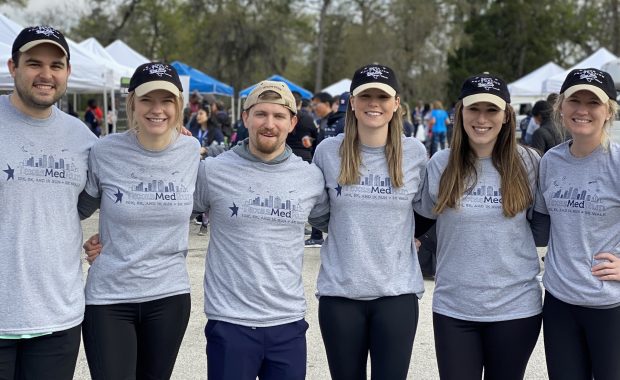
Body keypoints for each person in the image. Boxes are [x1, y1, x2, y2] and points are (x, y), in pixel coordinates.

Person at [193, 80, 329, 380]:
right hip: (230, 323)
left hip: (288, 324)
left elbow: (340, 223)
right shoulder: (213, 171)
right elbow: (169, 213)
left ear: (292, 122)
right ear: (245, 118)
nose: (269, 124)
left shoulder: (310, 178)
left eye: (279, 116)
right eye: (260, 114)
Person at [417, 73, 545, 380]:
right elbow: (414, 223)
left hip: (516, 309)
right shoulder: (440, 164)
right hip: (454, 308)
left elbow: (567, 221)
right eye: (474, 109)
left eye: (492, 110)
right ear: (460, 113)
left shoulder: (529, 163)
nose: (482, 119)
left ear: (506, 116)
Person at [78, 63, 199, 380]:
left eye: (166, 101)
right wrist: (85, 242)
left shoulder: (191, 149)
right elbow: (76, 208)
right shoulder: (104, 151)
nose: (157, 109)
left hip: (169, 297)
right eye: (147, 100)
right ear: (132, 103)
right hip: (109, 298)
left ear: (178, 106)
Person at [312, 64, 428, 380]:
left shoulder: (415, 153)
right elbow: (319, 211)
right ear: (352, 102)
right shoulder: (327, 152)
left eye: (381, 96)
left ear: (396, 104)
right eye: (366, 96)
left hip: (396, 295)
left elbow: (427, 209)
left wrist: (410, 236)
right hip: (340, 296)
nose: (373, 103)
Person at [0, 25, 97, 380]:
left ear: (67, 72)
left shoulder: (83, 138)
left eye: (56, 65)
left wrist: (170, 134)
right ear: (13, 67)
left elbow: (85, 204)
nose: (46, 74)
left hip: (58, 317)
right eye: (34, 63)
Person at [535, 68, 620, 380]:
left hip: (609, 304)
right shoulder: (550, 162)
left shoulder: (617, 162)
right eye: (575, 101)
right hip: (559, 303)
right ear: (561, 107)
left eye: (593, 102)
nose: (582, 110)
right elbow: (541, 225)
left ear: (608, 110)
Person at [286, 91, 317, 162]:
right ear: (300, 103)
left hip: (285, 156)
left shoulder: (281, 117)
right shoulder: (309, 118)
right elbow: (316, 137)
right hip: (304, 157)